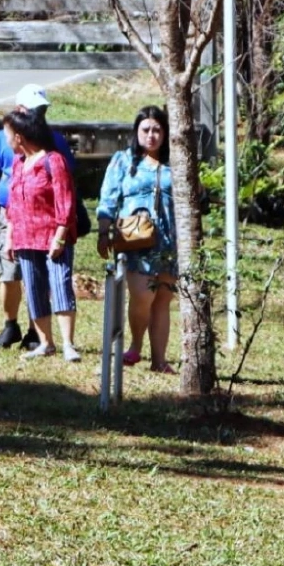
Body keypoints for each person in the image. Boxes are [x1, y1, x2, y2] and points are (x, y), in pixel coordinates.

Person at [0, 84, 74, 351]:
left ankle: (37, 332)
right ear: (20, 109)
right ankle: (11, 325)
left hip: (45, 220)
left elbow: (66, 182)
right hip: (11, 216)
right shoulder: (1, 139)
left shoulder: (55, 142)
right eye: (34, 109)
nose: (38, 114)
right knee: (9, 274)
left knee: (40, 277)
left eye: (42, 110)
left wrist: (62, 228)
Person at [95, 105, 178, 372]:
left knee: (163, 299)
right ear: (136, 132)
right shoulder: (123, 160)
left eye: (157, 130)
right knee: (142, 295)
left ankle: (159, 360)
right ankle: (134, 346)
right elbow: (108, 198)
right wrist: (103, 231)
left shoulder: (174, 164)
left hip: (169, 242)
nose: (151, 135)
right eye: (146, 130)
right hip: (136, 240)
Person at [3, 109, 81, 363]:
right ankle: (46, 343)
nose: (6, 139)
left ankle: (68, 344)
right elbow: (13, 204)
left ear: (19, 137)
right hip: (26, 237)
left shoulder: (53, 160)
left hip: (52, 236)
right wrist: (11, 236)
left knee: (60, 285)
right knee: (34, 291)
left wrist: (60, 235)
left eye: (8, 134)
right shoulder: (18, 164)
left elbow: (65, 200)